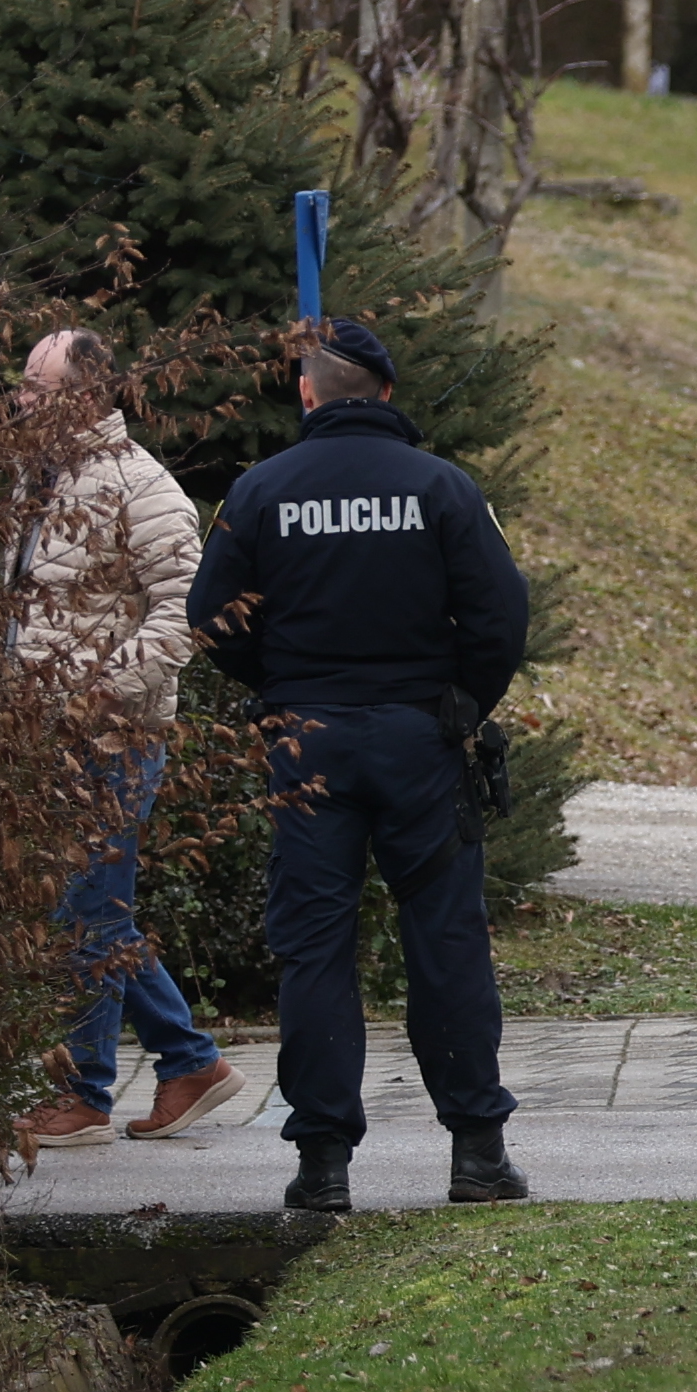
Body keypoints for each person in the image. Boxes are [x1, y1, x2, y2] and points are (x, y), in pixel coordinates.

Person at [185, 318, 534, 1214]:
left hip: (307, 745)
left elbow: (213, 615)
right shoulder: (440, 487)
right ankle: (477, 1155)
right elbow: (499, 613)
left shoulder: (261, 491)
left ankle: (322, 1165)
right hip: (421, 743)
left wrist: (281, 686)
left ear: (306, 393)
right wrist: (462, 703)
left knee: (314, 950)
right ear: (386, 393)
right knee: (446, 944)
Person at [12, 328, 246, 1151]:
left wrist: (100, 694)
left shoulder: (138, 484)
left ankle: (87, 1097)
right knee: (91, 911)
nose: (22, 400)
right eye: (24, 384)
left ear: (85, 396)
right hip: (42, 735)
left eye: (38, 387)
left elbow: (188, 609)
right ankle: (190, 1060)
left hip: (111, 740)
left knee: (88, 914)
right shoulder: (39, 483)